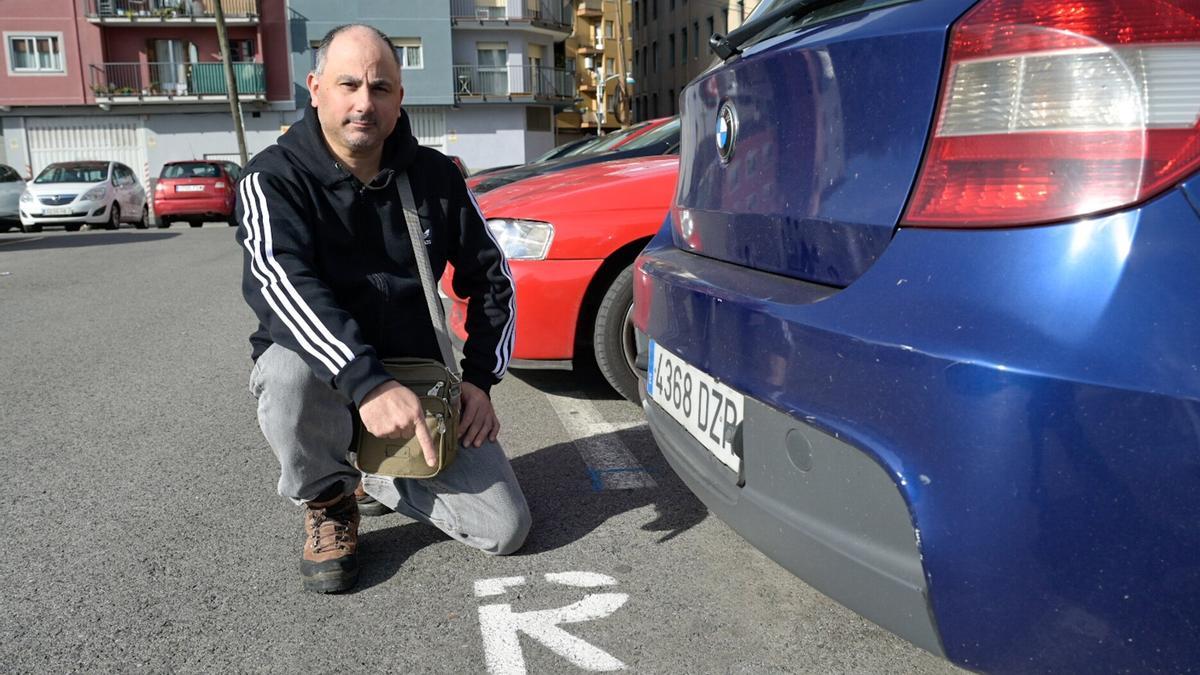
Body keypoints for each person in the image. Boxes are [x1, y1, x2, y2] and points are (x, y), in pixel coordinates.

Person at [237, 24, 530, 593]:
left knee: (505, 529)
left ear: (399, 100)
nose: (363, 103)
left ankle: (380, 476)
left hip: (418, 379)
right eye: (349, 84)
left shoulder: (437, 178)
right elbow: (280, 282)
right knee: (284, 370)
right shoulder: (272, 178)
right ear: (316, 87)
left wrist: (479, 382)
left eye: (381, 88)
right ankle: (330, 497)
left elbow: (492, 277)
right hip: (330, 375)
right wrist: (367, 384)